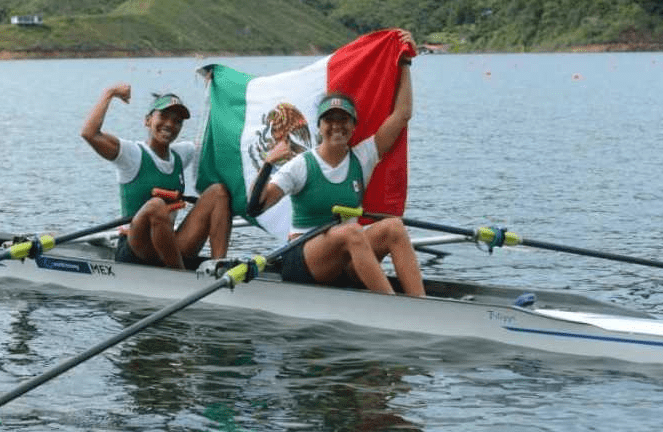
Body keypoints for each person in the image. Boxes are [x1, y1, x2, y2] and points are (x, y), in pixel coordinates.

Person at [246, 50, 425, 297]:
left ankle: (421, 302)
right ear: (319, 126)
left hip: (345, 257)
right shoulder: (301, 165)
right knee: (352, 232)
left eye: (344, 120)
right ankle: (393, 306)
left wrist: (405, 62)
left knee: (393, 226)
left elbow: (402, 115)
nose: (337, 126)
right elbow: (255, 206)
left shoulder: (363, 157)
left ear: (353, 126)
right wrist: (268, 164)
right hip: (303, 260)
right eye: (329, 120)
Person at [81, 84, 232, 269]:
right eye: (163, 116)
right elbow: (89, 134)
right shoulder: (132, 154)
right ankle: (180, 276)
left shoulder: (183, 153)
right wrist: (109, 93)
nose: (169, 124)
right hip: (136, 248)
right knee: (156, 205)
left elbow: (221, 147)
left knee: (219, 192)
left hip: (168, 246)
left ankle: (219, 267)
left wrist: (221, 92)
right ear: (147, 120)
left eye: (177, 121)